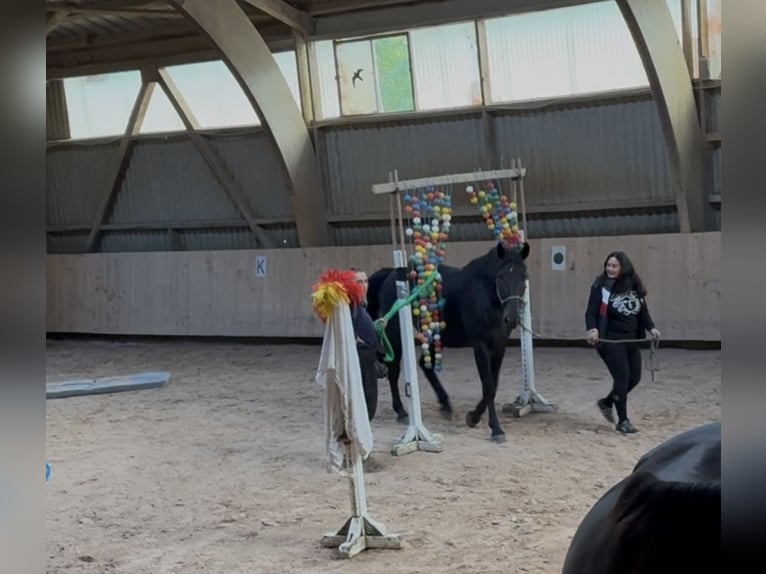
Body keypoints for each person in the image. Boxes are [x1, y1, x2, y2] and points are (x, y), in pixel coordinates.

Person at [584, 251, 661, 435]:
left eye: (614, 266)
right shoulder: (600, 286)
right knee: (622, 378)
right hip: (609, 339)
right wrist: (592, 329)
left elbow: (643, 312)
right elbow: (590, 312)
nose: (610, 269)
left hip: (631, 339)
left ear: (623, 267)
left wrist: (651, 328)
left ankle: (607, 402)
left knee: (634, 378)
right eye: (608, 265)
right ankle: (623, 421)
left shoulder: (634, 286)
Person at [349, 268, 384, 423]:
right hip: (362, 354)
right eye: (359, 282)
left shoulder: (361, 304)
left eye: (365, 281)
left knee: (370, 399)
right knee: (367, 399)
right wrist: (356, 339)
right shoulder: (351, 304)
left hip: (368, 354)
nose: (364, 285)